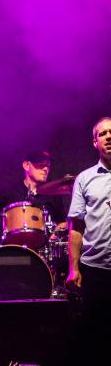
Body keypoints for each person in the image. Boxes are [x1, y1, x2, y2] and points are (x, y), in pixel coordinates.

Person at [0, 150, 73, 242]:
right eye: (41, 165)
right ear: (26, 165)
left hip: (44, 248)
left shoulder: (53, 194)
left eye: (48, 165)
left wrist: (55, 235)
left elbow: (62, 222)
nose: (46, 169)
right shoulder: (11, 191)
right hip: (15, 248)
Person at [66, 116, 111, 317]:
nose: (108, 137)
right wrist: (74, 269)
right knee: (95, 327)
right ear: (95, 142)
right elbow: (75, 227)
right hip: (94, 269)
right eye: (103, 134)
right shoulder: (84, 178)